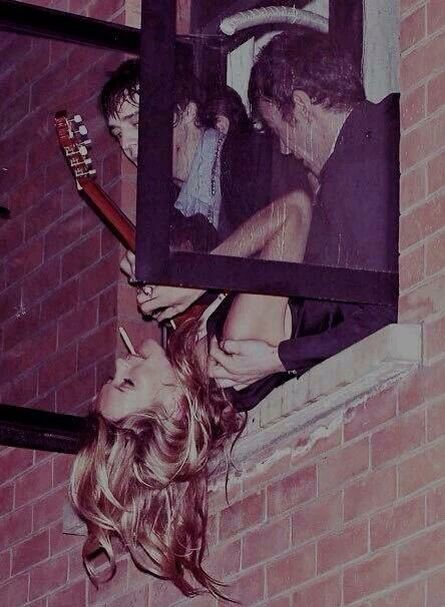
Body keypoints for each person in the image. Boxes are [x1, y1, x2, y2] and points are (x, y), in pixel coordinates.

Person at [136, 28, 399, 395]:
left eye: (280, 131)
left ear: (303, 107)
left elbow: (387, 310)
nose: (286, 150)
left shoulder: (355, 171)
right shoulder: (390, 122)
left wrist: (281, 358)